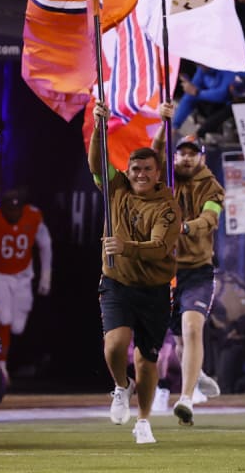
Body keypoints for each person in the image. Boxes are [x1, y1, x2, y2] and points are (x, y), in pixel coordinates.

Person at [90, 101, 182, 445]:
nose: (140, 174)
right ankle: (119, 386)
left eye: (147, 169)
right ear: (127, 171)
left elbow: (159, 247)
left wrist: (125, 246)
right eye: (135, 169)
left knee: (146, 360)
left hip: (155, 289)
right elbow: (96, 163)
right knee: (114, 345)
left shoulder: (167, 206)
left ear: (158, 173)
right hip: (116, 281)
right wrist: (100, 125)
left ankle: (143, 420)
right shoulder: (116, 191)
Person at [151, 112, 226, 426]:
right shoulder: (166, 177)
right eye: (180, 152)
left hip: (197, 269)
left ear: (202, 158)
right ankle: (196, 376)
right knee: (175, 341)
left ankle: (185, 398)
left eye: (191, 154)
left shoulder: (212, 187)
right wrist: (163, 124)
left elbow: (210, 219)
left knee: (192, 328)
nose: (184, 158)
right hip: (165, 271)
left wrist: (184, 228)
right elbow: (154, 155)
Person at [0, 188, 52, 383]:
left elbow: (45, 245)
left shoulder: (33, 216)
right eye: (9, 210)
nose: (13, 214)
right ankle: (1, 366)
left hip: (23, 275)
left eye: (16, 209)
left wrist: (46, 277)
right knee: (4, 318)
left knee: (18, 327)